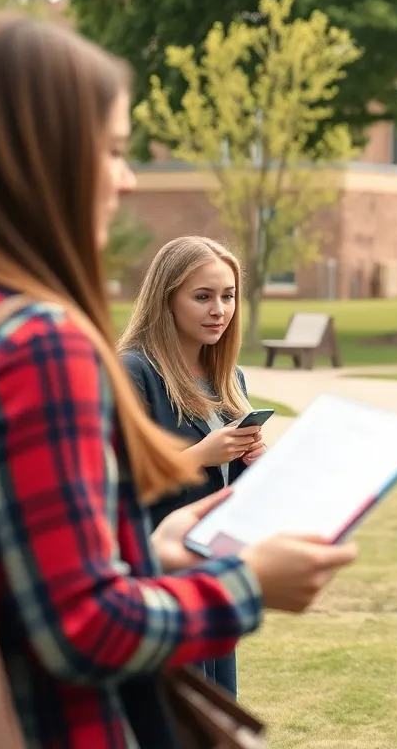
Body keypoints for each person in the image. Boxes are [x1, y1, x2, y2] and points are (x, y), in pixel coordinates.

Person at [0, 11, 357, 748]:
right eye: (113, 151)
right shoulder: (39, 346)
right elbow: (80, 628)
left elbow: (21, 576)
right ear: (41, 156)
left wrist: (156, 552)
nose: (124, 180)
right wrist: (251, 585)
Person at [118, 236, 267, 698]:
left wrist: (253, 461)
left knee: (218, 709)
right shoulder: (133, 372)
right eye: (202, 296)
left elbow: (229, 486)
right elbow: (117, 488)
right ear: (167, 299)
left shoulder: (229, 376)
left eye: (228, 295)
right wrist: (202, 453)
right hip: (156, 575)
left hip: (212, 568)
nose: (219, 309)